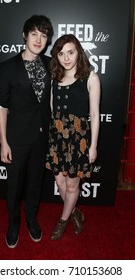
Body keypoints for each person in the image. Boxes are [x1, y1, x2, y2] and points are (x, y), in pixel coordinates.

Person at [0, 15, 54, 248]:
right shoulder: (8, 67)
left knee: (34, 184)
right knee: (14, 186)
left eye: (43, 35)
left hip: (42, 137)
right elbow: (1, 106)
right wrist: (3, 142)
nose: (39, 40)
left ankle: (31, 219)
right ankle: (13, 224)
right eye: (34, 34)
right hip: (17, 138)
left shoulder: (51, 64)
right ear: (24, 35)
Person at [46, 34, 100, 240]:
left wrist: (92, 146)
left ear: (78, 52)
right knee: (60, 184)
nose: (66, 58)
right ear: (56, 56)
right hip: (58, 137)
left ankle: (62, 221)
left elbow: (95, 115)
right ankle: (75, 212)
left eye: (70, 52)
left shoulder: (91, 78)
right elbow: (52, 110)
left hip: (79, 139)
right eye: (61, 53)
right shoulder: (55, 78)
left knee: (72, 185)